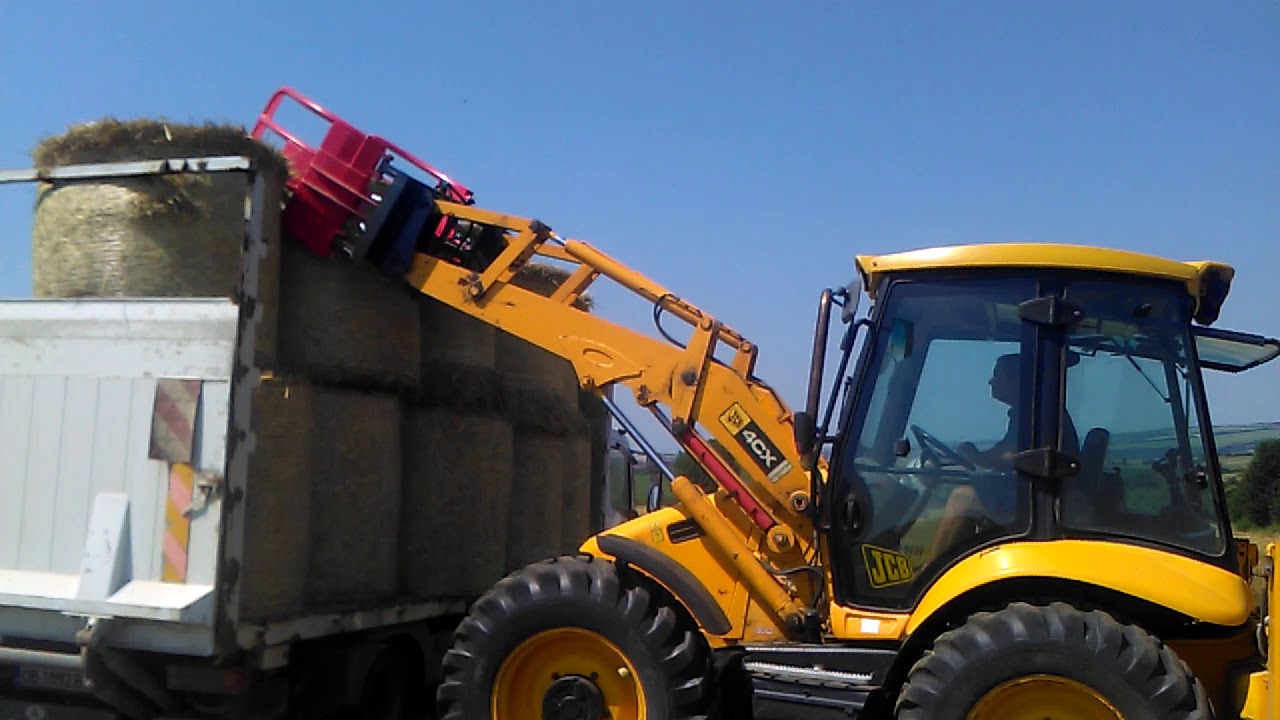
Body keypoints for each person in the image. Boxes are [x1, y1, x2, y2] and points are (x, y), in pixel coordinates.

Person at [926, 353, 1078, 562]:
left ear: (1017, 379)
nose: (990, 381)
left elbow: (1009, 453)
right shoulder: (1032, 410)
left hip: (1040, 497)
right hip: (1040, 489)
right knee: (977, 486)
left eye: (997, 375)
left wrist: (975, 456)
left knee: (961, 498)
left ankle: (931, 568)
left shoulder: (1030, 412)